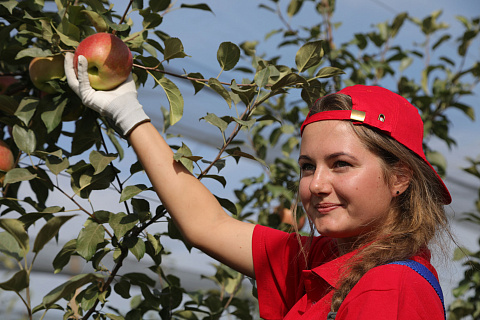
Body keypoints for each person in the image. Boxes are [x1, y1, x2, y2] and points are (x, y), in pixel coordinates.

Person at [64, 52, 452, 319]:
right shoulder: (324, 262)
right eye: (306, 166)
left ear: (400, 177)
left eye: (341, 165)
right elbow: (207, 225)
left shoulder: (388, 288)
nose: (316, 184)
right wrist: (126, 110)